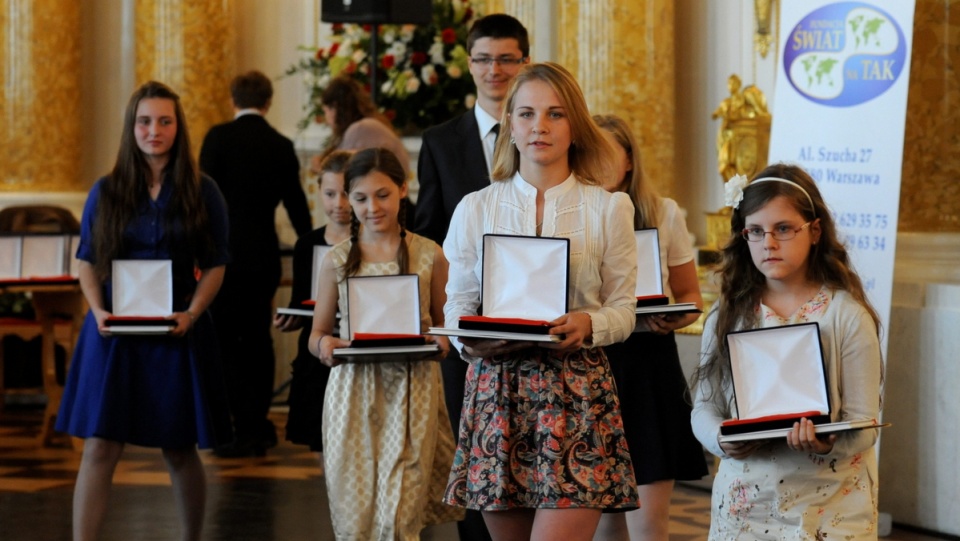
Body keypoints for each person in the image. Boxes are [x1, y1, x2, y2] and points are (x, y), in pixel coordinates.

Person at [442, 62, 640, 540]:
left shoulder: (608, 207)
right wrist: (472, 341)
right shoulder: (476, 207)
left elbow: (625, 308)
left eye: (555, 114)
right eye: (527, 114)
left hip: (575, 392)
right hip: (497, 390)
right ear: (510, 123)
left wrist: (589, 325)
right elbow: (457, 303)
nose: (540, 127)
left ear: (575, 126)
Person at [55, 81, 231, 541]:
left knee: (178, 448)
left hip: (176, 330)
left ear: (178, 127)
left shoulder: (203, 190)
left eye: (165, 121)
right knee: (99, 446)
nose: (154, 130)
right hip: (113, 333)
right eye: (145, 121)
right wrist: (96, 312)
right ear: (132, 127)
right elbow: (87, 261)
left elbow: (215, 265)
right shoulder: (107, 190)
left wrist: (191, 314)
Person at [690, 163, 884, 539]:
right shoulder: (728, 314)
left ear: (814, 231)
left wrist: (827, 442)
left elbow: (865, 424)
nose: (769, 243)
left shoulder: (845, 316)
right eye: (756, 231)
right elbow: (704, 407)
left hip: (831, 508)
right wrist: (722, 439)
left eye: (783, 229)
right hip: (746, 503)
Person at [412, 15, 530, 539]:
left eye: (506, 58)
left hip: (539, 318)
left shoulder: (545, 128)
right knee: (477, 457)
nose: (494, 69)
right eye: (483, 58)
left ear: (524, 62)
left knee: (536, 456)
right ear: (469, 65)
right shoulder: (441, 140)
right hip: (472, 322)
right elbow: (429, 231)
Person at [307, 147, 462, 539]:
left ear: (402, 190)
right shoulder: (338, 260)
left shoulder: (430, 254)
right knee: (356, 517)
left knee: (399, 517)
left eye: (382, 195)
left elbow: (446, 327)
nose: (371, 207)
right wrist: (326, 347)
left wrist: (440, 343)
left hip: (413, 392)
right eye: (359, 198)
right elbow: (317, 334)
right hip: (354, 394)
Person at [591, 114, 708, 541]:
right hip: (593, 361)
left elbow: (691, 296)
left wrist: (676, 315)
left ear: (628, 162)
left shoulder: (663, 212)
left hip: (648, 362)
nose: (599, 162)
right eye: (591, 152)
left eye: (609, 153)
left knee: (649, 519)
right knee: (604, 518)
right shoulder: (572, 215)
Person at [199, 70, 313, 458]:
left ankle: (229, 426)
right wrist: (313, 247)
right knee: (258, 341)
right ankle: (256, 425)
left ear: (233, 100)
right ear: (268, 102)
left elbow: (200, 200)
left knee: (225, 342)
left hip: (220, 257)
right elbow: (296, 203)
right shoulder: (279, 144)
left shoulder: (217, 138)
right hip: (262, 257)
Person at [276, 150, 352, 457]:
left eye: (346, 194)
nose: (338, 204)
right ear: (318, 192)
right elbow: (301, 302)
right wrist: (290, 318)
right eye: (330, 194)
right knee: (324, 443)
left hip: (353, 348)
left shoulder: (370, 242)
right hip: (317, 354)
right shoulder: (307, 244)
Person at [313, 76, 412, 178]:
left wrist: (322, 166)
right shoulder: (369, 124)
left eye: (325, 111)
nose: (325, 118)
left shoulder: (360, 128)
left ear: (335, 107)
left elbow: (341, 174)